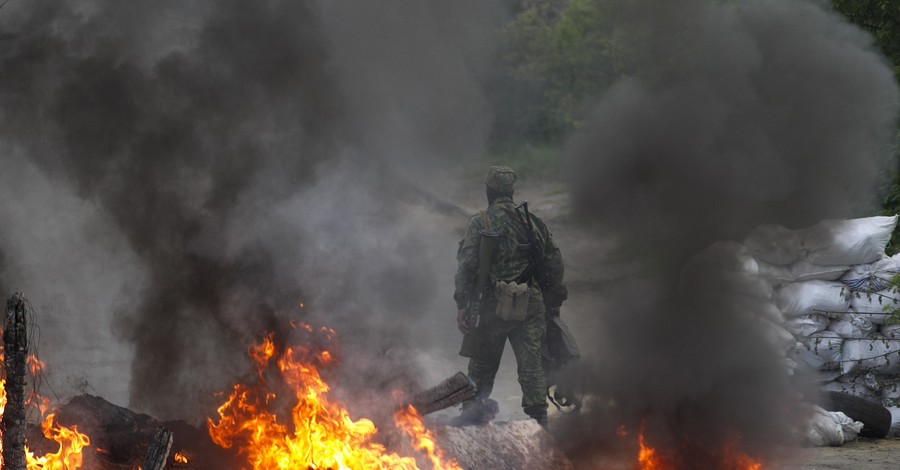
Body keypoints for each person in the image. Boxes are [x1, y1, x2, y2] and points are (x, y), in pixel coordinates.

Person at [453, 166, 567, 426]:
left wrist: (462, 304)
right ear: (511, 192)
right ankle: (539, 423)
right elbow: (554, 262)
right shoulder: (532, 222)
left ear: (488, 191)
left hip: (492, 304)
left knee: (481, 366)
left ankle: (470, 419)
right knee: (532, 365)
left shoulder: (480, 222)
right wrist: (555, 301)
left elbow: (467, 266)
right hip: (530, 302)